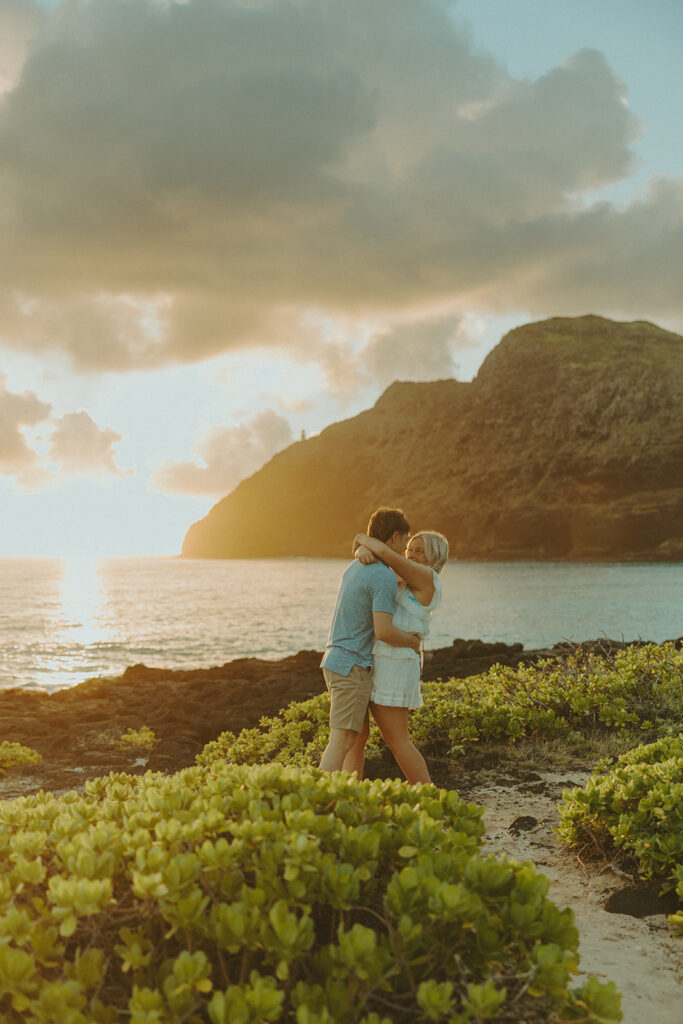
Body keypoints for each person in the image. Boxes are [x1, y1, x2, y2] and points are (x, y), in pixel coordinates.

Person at [318, 508, 422, 773]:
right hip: (351, 665)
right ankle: (316, 795)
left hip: (336, 660)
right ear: (394, 537)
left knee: (354, 741)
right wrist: (413, 642)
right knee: (342, 740)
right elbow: (384, 630)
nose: (406, 547)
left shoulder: (356, 566)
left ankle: (349, 792)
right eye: (405, 539)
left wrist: (361, 545)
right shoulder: (382, 575)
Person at [344, 529, 449, 784]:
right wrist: (361, 551)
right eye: (410, 548)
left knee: (397, 740)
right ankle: (349, 795)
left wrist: (361, 539)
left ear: (435, 556)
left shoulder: (428, 578)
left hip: (396, 664)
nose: (410, 554)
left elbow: (384, 553)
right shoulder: (399, 578)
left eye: (419, 550)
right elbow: (377, 561)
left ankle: (427, 796)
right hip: (371, 660)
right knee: (355, 737)